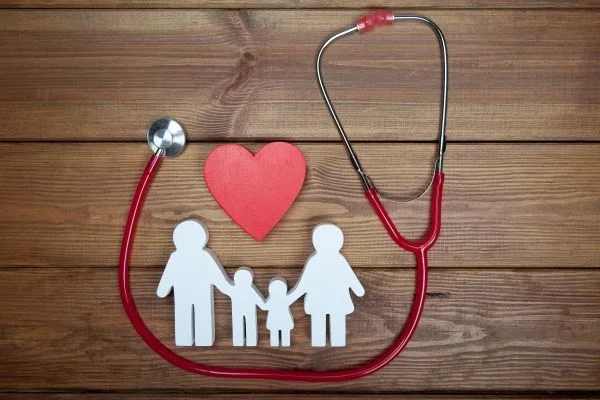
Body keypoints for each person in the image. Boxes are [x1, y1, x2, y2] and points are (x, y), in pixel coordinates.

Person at [156, 219, 232, 346]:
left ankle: (198, 339)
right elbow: (218, 278)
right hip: (191, 295)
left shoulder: (191, 256)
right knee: (191, 315)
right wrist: (229, 289)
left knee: (195, 315)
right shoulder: (179, 257)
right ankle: (193, 339)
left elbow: (217, 277)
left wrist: (162, 290)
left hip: (193, 295)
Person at [289, 223, 365, 347]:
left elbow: (303, 284)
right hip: (334, 300)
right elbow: (304, 283)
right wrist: (358, 290)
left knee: (330, 320)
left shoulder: (334, 260)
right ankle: (325, 340)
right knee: (327, 320)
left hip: (324, 300)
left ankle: (333, 340)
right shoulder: (324, 260)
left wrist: (290, 298)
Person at [227, 267, 266, 346]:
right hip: (241, 312)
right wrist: (266, 306)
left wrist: (266, 305)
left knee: (247, 324)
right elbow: (261, 303)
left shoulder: (237, 289)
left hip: (245, 312)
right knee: (242, 325)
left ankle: (246, 341)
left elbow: (261, 302)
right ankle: (243, 341)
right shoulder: (247, 290)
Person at [264, 277, 295, 347]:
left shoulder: (272, 299)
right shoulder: (285, 298)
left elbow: (264, 306)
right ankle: (283, 343)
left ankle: (281, 343)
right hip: (283, 320)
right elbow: (294, 296)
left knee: (277, 332)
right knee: (281, 331)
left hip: (275, 320)